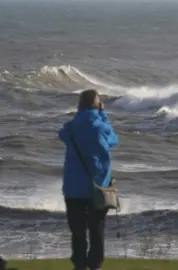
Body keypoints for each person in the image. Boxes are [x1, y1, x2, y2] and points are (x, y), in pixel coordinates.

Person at [58, 89, 118, 270]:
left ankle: (79, 263)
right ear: (96, 105)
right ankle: (95, 264)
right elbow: (113, 139)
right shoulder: (101, 126)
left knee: (77, 230)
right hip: (97, 187)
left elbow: (62, 134)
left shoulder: (69, 128)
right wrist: (103, 114)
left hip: (73, 187)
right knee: (96, 228)